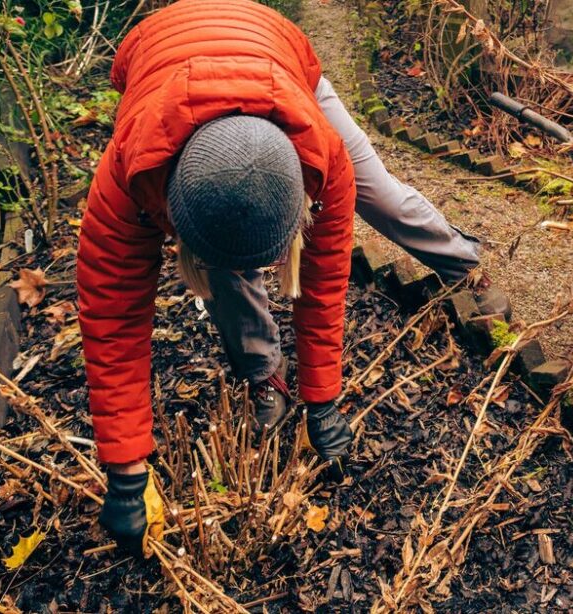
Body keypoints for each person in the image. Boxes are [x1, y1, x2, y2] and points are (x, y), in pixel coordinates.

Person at [79, 0, 492, 553]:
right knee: (228, 262)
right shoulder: (129, 176)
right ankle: (265, 375)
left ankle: (464, 264)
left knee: (383, 195)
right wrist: (125, 469)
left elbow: (323, 285)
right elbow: (112, 318)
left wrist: (324, 398)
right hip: (162, 69)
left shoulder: (325, 157)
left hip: (281, 70)